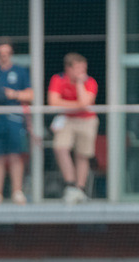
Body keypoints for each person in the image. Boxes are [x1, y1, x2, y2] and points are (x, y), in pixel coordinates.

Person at [0, 41, 32, 205]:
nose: (4, 56)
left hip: (15, 119)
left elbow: (30, 95)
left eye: (7, 53)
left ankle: (17, 191)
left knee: (15, 155)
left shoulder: (20, 71)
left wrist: (14, 94)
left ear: (11, 54)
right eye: (1, 53)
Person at [48, 52, 99, 204]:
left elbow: (85, 102)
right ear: (68, 69)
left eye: (84, 68)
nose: (82, 72)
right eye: (78, 69)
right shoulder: (58, 79)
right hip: (66, 120)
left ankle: (80, 188)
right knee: (60, 147)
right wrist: (78, 107)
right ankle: (70, 185)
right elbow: (53, 102)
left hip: (87, 121)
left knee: (82, 154)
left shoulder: (89, 82)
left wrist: (79, 84)